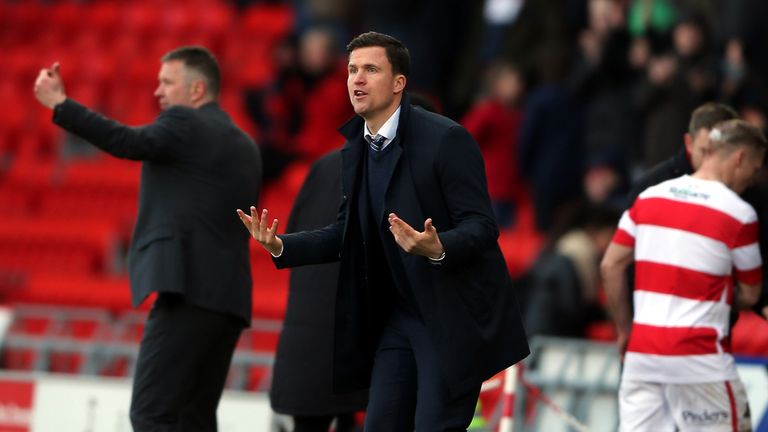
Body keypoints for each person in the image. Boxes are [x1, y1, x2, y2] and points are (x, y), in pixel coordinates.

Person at [238, 31, 529, 431]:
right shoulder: (355, 147)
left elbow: (482, 227)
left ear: (398, 83)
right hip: (397, 319)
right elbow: (346, 232)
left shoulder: (447, 139)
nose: (357, 78)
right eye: (352, 70)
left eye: (370, 69)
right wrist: (281, 246)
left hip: (449, 318)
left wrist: (437, 247)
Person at [33, 46, 262, 431]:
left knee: (151, 414)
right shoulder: (246, 146)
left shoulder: (185, 123)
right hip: (229, 300)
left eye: (167, 83)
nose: (158, 92)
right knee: (195, 419)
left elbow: (126, 141)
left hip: (187, 291)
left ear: (196, 90)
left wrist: (60, 104)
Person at [601, 119, 766, 431]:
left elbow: (610, 265)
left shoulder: (648, 197)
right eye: (755, 169)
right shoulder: (739, 213)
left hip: (642, 354)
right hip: (700, 359)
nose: (753, 179)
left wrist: (625, 330)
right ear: (740, 157)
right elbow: (750, 294)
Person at [271, 149, 367, 432]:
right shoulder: (394, 164)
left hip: (310, 329)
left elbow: (294, 231)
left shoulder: (324, 164)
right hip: (353, 329)